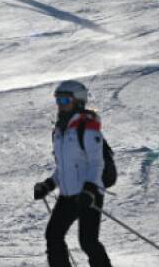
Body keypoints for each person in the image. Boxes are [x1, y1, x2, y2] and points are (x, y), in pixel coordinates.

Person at [33, 80, 112, 267]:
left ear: (78, 101)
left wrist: (90, 189)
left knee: (88, 242)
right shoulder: (60, 130)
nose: (60, 105)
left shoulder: (87, 128)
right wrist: (49, 184)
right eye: (58, 100)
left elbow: (96, 163)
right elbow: (64, 167)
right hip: (68, 195)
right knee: (53, 235)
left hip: (88, 194)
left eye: (64, 100)